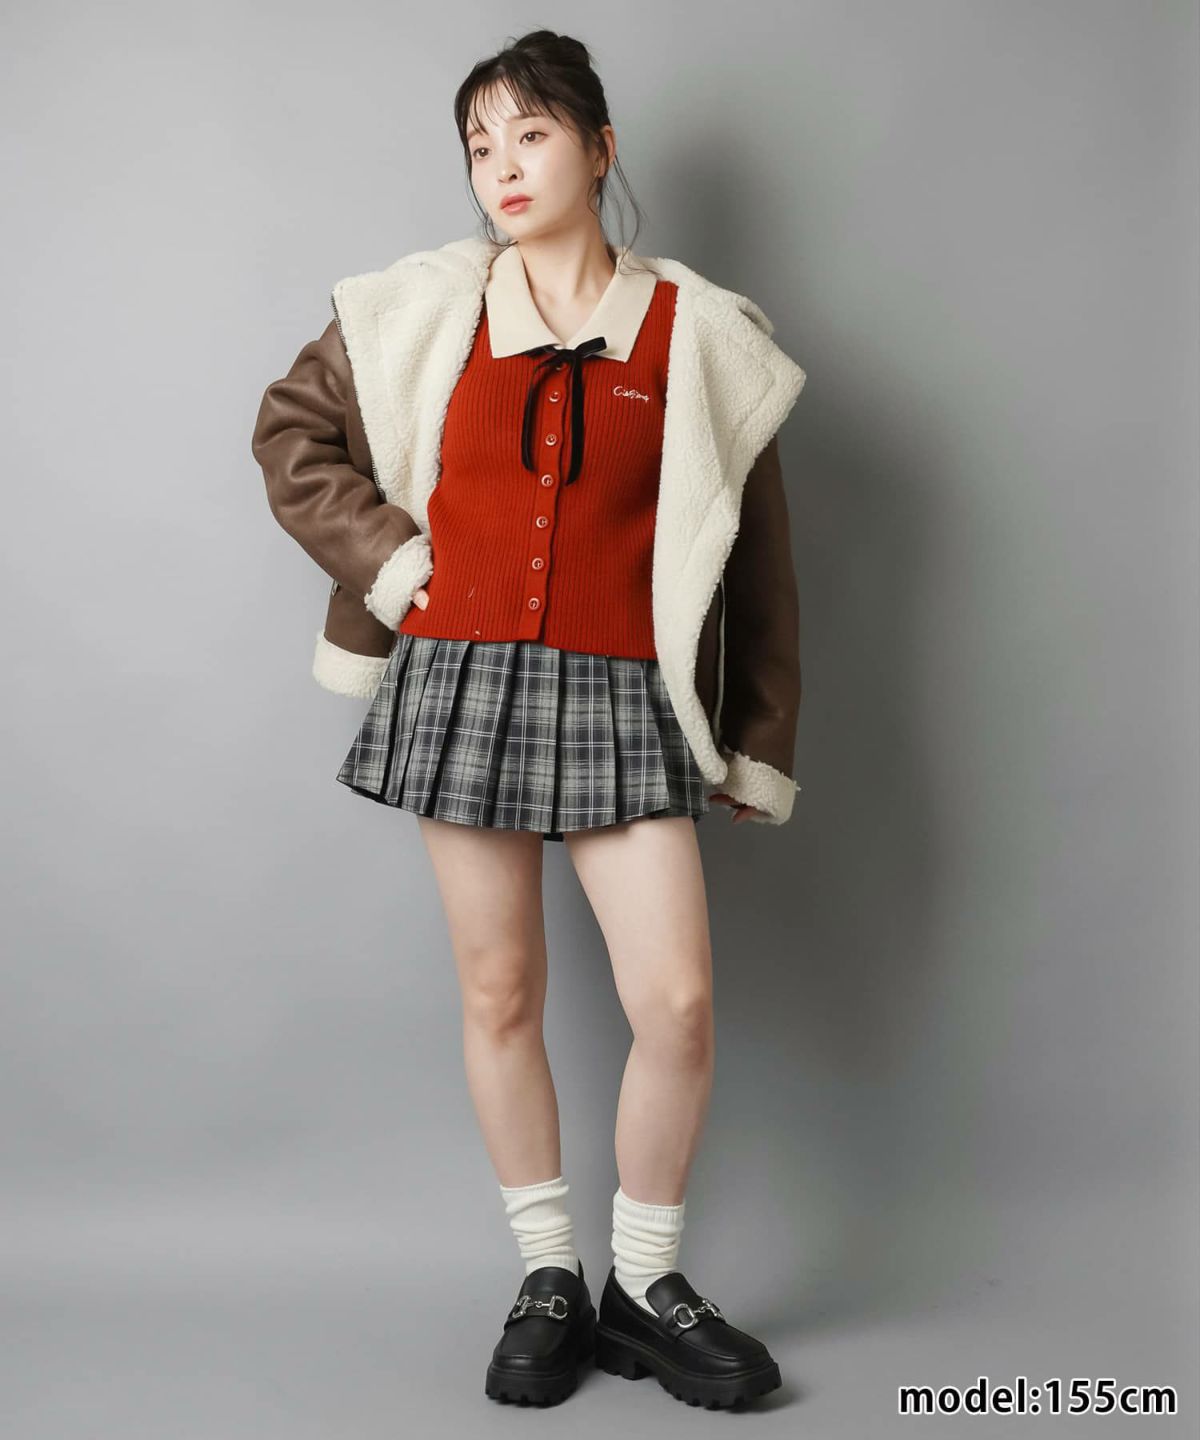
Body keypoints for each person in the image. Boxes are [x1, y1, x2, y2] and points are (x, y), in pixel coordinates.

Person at [251, 28, 806, 1412]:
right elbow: (290, 433)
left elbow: (756, 561)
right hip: (464, 680)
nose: (502, 165)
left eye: (533, 134)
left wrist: (754, 736)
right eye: (479, 145)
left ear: (601, 149)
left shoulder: (699, 335)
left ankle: (645, 1283)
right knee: (501, 992)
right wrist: (395, 564)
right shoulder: (420, 310)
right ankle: (551, 1274)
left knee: (676, 1003)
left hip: (626, 693)